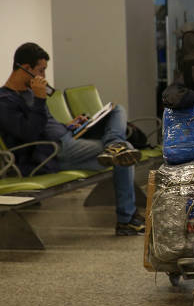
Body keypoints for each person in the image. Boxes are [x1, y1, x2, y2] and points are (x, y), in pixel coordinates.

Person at [0, 43, 145, 236]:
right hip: (53, 152)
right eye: (41, 71)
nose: (43, 76)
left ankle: (114, 146)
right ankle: (126, 217)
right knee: (124, 151)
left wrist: (70, 125)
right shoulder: (4, 101)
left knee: (116, 109)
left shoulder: (29, 93)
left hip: (67, 139)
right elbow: (29, 134)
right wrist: (40, 100)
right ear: (26, 69)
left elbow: (47, 125)